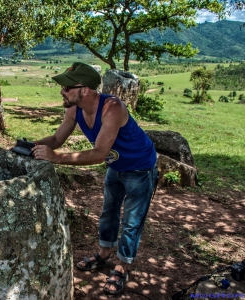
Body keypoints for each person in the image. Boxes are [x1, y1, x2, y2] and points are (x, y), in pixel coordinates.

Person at [31, 62, 158, 296]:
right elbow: (57, 138)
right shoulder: (74, 108)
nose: (62, 91)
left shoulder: (113, 108)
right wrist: (32, 146)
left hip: (140, 168)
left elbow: (99, 153)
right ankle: (103, 254)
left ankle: (122, 266)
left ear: (85, 90)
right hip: (116, 167)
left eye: (67, 88)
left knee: (131, 221)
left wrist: (56, 158)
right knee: (108, 213)